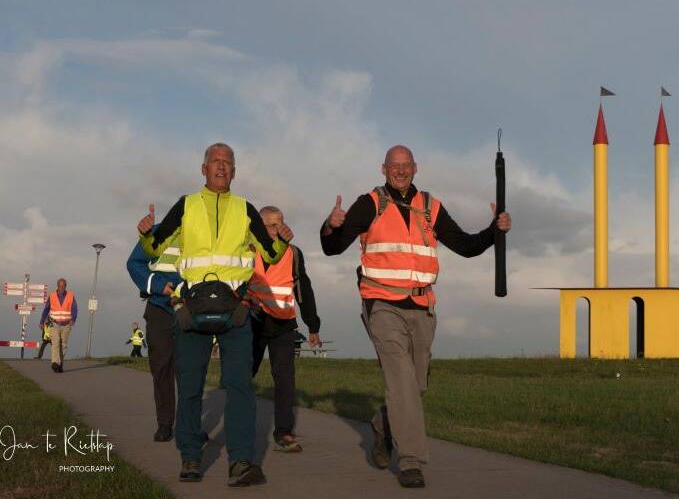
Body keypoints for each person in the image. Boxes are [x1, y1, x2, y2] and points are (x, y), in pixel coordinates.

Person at [320, 145, 511, 489]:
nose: (401, 171)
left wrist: (494, 230)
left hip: (422, 308)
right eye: (395, 166)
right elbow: (333, 248)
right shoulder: (370, 203)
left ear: (416, 168)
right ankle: (410, 461)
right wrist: (330, 226)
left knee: (416, 386)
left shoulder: (429, 207)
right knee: (402, 383)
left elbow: (466, 246)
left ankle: (383, 424)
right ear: (384, 169)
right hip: (381, 305)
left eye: (406, 165)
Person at [137, 142, 291, 487]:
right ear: (203, 168)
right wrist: (147, 232)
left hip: (235, 311)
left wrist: (280, 240)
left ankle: (240, 461)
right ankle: (190, 457)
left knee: (239, 387)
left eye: (227, 163)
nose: (221, 167)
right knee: (189, 386)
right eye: (215, 162)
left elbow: (270, 253)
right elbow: (156, 246)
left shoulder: (245, 208)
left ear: (234, 172)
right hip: (192, 310)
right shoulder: (186, 205)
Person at [247, 206, 322, 453]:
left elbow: (303, 289)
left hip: (283, 324)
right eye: (269, 225)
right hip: (253, 322)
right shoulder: (247, 250)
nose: (275, 230)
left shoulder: (293, 253)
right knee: (243, 377)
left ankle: (284, 432)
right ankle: (240, 428)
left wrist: (313, 325)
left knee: (285, 380)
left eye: (279, 224)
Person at [126, 226, 183, 442]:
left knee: (190, 371)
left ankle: (190, 424)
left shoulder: (205, 233)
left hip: (191, 309)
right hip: (160, 309)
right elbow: (134, 263)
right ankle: (165, 423)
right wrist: (158, 285)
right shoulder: (160, 232)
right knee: (161, 369)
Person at [39, 278, 78, 373]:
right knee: (55, 344)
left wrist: (73, 319)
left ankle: (59, 364)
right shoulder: (52, 296)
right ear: (57, 286)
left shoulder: (70, 296)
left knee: (63, 346)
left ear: (65, 286)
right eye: (60, 286)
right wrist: (42, 321)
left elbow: (74, 308)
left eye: (63, 286)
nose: (61, 288)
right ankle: (55, 363)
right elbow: (46, 309)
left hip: (66, 324)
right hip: (54, 324)